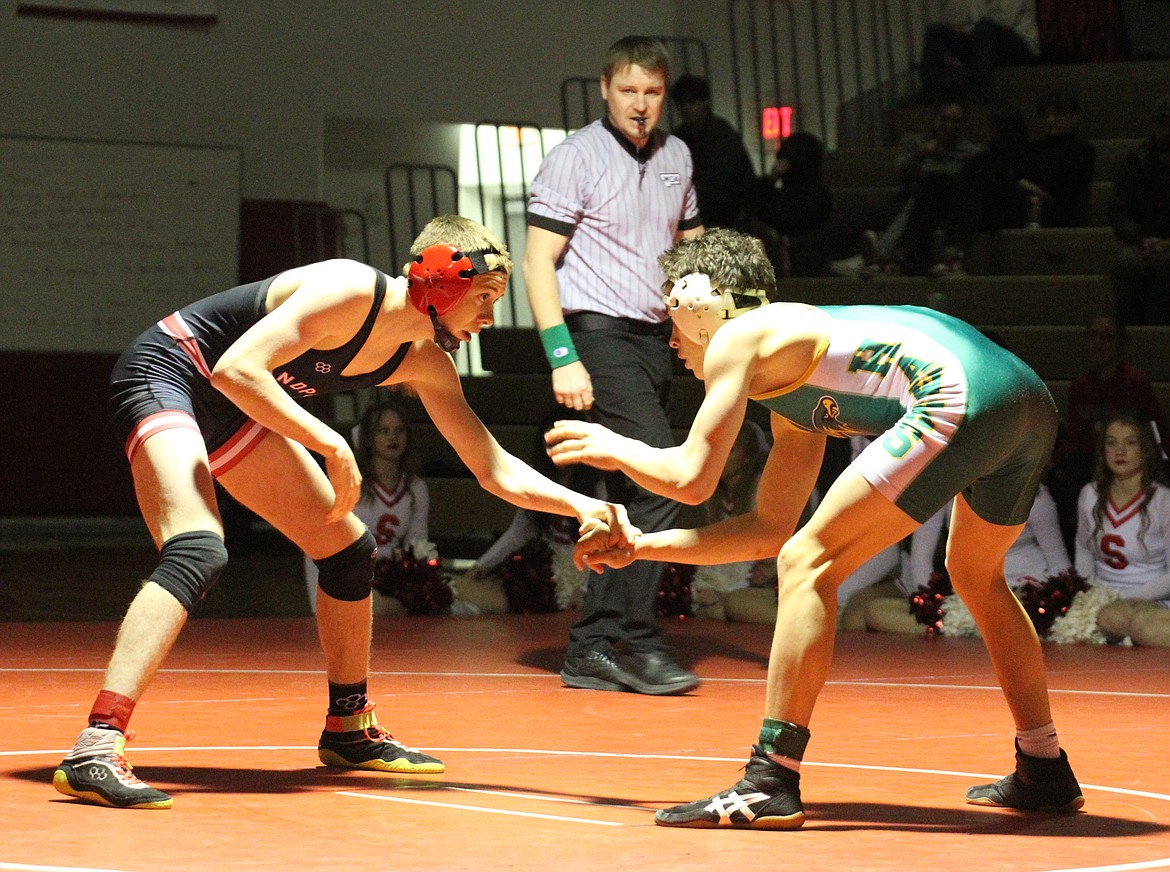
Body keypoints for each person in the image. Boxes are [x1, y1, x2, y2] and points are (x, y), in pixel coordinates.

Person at [52, 214, 634, 810]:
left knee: (349, 552)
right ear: (441, 281)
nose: (489, 317)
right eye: (484, 298)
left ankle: (349, 725)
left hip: (236, 406)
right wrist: (331, 444)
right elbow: (234, 368)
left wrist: (586, 503)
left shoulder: (425, 362)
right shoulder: (351, 288)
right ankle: (96, 745)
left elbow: (494, 468)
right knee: (198, 547)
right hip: (172, 372)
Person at [549, 227, 1084, 829]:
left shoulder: (741, 335)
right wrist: (644, 545)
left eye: (669, 313)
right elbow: (770, 529)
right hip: (1028, 403)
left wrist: (615, 446)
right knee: (974, 576)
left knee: (810, 563)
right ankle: (1044, 765)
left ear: (699, 299)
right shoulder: (793, 380)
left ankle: (769, 778)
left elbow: (692, 480)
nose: (670, 340)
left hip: (958, 394)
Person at [523, 35, 704, 696]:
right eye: (628, 91)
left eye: (653, 92)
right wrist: (562, 356)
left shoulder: (678, 155)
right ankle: (635, 640)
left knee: (633, 490)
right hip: (596, 336)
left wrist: (707, 336)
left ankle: (593, 645)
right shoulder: (576, 157)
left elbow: (692, 254)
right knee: (662, 479)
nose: (640, 104)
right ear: (606, 89)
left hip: (656, 339)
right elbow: (536, 260)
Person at [864, 482, 1072, 634]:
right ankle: (981, 631)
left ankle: (988, 630)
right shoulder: (942, 490)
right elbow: (921, 558)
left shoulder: (1035, 495)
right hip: (964, 596)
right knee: (875, 612)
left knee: (1018, 613)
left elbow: (1060, 564)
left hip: (1022, 593)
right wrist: (931, 606)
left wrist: (1044, 600)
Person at [1048, 314, 1170, 550]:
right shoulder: (1079, 387)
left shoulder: (1135, 384)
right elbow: (1076, 438)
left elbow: (1157, 432)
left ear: (1120, 344)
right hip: (1088, 463)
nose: (1098, 343)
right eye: (1092, 336)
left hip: (1129, 461)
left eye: (1106, 337)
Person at [304, 394, 428, 616]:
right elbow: (317, 544)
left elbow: (418, 548)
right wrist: (318, 606)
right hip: (353, 573)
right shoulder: (347, 483)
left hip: (396, 575)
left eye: (399, 430)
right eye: (383, 430)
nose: (393, 437)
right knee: (378, 607)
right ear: (368, 438)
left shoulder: (415, 487)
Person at [1075, 413, 1170, 646]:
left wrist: (1122, 598)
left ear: (1145, 449)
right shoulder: (1090, 494)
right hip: (1104, 601)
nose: (1120, 451)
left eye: (1131, 442)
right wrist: (1088, 593)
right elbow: (1083, 547)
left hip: (1153, 600)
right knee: (1109, 618)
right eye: (1111, 442)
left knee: (1143, 627)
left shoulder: (1163, 501)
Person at [865, 95, 980, 276]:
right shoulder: (914, 143)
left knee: (942, 186)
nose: (949, 126)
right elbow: (902, 175)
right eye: (944, 119)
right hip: (914, 199)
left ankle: (885, 255)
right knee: (925, 192)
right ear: (935, 118)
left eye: (955, 121)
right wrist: (922, 154)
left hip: (951, 205)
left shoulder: (970, 153)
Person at [1109, 95, 1170, 326]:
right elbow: (1119, 211)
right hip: (1143, 242)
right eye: (1161, 124)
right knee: (1126, 263)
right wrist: (1143, 240)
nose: (1166, 131)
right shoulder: (1136, 162)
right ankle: (1128, 330)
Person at [669, 73, 755, 231]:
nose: (686, 108)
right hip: (704, 216)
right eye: (681, 104)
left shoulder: (722, 135)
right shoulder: (679, 138)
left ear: (705, 102)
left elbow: (729, 182)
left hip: (727, 216)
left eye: (692, 102)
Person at [745, 131, 834, 278]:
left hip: (802, 259)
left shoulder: (814, 195)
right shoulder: (787, 193)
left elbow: (773, 216)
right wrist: (771, 181)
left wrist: (771, 181)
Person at [918, 1, 1039, 105]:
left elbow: (1004, 19)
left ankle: (979, 94)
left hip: (1018, 45)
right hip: (981, 43)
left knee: (986, 28)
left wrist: (968, 26)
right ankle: (932, 96)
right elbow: (952, 18)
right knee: (935, 32)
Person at [1019, 86, 1096, 228]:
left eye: (1058, 114)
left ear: (1074, 115)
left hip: (1064, 216)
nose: (1051, 120)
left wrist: (1038, 191)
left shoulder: (1083, 150)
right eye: (1047, 115)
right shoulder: (1036, 148)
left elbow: (1068, 190)